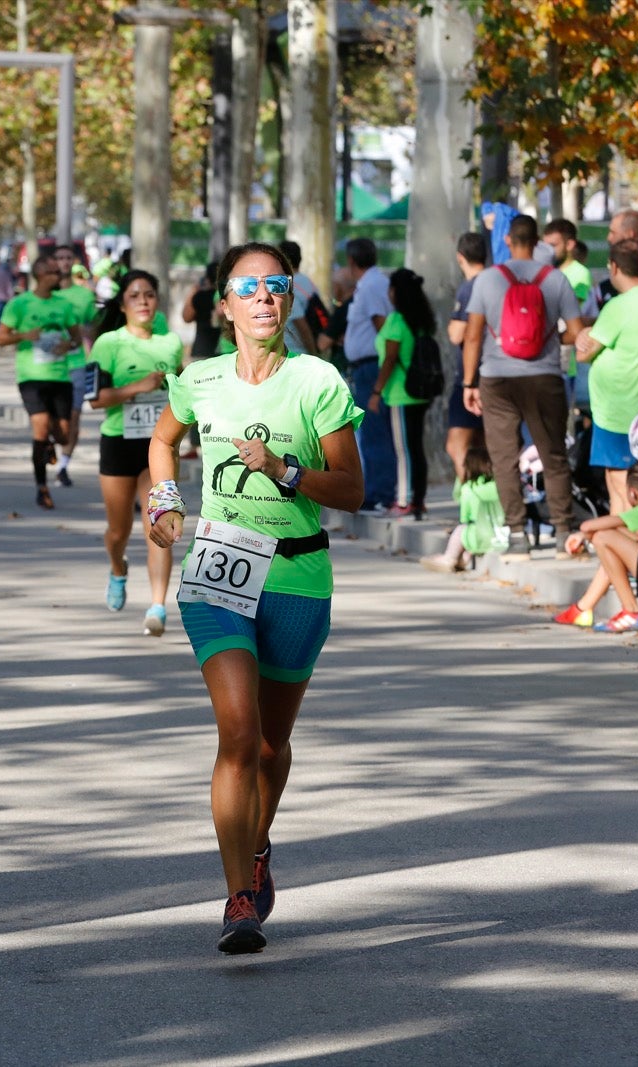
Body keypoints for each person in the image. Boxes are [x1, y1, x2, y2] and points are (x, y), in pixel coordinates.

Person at [147, 241, 363, 954]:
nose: (264, 297)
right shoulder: (200, 378)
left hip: (299, 577)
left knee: (271, 743)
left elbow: (353, 489)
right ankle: (239, 893)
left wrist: (285, 469)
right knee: (238, 732)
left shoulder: (318, 382)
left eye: (277, 285)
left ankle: (259, 841)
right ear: (226, 303)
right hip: (218, 572)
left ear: (290, 298)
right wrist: (166, 499)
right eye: (249, 286)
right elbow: (163, 438)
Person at [462, 213, 581, 559]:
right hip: (545, 377)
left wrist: (470, 382)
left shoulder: (487, 280)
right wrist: (551, 340)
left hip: (496, 379)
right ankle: (563, 533)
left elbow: (472, 335)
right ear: (537, 243)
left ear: (508, 241)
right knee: (553, 454)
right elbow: (574, 331)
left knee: (504, 458)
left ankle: (516, 536)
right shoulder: (555, 279)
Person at [87, 269, 183, 634]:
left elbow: (179, 395)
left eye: (149, 294)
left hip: (158, 446)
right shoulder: (107, 343)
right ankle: (117, 567)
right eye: (134, 295)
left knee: (158, 522)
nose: (143, 301)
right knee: (118, 531)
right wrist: (139, 387)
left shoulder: (170, 343)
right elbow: (95, 399)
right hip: (118, 442)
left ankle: (158, 606)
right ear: (123, 304)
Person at [576, 239, 638, 517]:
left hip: (615, 412)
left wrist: (582, 334)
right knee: (628, 487)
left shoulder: (618, 306)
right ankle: (614, 556)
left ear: (613, 268)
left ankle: (624, 552)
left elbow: (584, 352)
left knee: (621, 488)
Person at [0, 255, 83, 509]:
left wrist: (70, 344)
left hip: (60, 376)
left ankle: (49, 446)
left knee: (64, 435)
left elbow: (77, 338)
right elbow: (1, 339)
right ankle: (41, 488)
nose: (60, 276)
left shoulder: (64, 305)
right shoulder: (19, 304)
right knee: (41, 428)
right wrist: (24, 335)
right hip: (31, 377)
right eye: (55, 272)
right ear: (42, 275)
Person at [551, 467, 638, 633]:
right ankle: (583, 608)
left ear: (632, 494)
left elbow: (588, 525)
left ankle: (631, 610)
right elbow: (634, 537)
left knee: (602, 538)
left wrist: (582, 535)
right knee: (608, 541)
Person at [372, 267, 437, 519]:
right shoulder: (421, 320)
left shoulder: (397, 321)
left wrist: (376, 391)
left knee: (404, 450)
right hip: (419, 393)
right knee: (416, 448)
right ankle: (418, 499)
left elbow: (390, 358)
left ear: (396, 292)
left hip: (400, 393)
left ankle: (404, 500)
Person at [342, 237, 395, 513]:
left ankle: (380, 492)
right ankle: (377, 490)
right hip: (366, 365)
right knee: (371, 432)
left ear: (352, 262)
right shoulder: (371, 284)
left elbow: (382, 326)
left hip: (373, 365)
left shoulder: (372, 285)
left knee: (375, 432)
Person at [444, 233, 488, 486]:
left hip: (470, 378)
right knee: (484, 444)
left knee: (456, 445)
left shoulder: (470, 286)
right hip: (494, 375)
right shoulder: (496, 280)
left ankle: (472, 503)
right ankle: (491, 505)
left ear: (461, 257)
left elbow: (457, 334)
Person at [53, 244, 97, 488]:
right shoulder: (44, 294)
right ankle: (53, 446)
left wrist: (83, 332)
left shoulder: (84, 295)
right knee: (52, 419)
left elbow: (93, 327)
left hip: (78, 361)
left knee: (74, 416)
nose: (63, 262)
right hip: (48, 366)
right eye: (59, 258)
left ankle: (63, 465)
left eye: (68, 257)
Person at [421, 446, 504, 572]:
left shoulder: (468, 489)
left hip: (478, 537)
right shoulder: (499, 486)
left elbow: (465, 517)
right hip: (501, 534)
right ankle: (464, 559)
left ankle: (450, 557)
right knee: (477, 531)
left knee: (462, 529)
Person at [276, 240, 323, 355]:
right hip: (306, 349)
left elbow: (301, 325)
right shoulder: (307, 282)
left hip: (295, 352)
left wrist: (313, 354)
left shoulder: (288, 285)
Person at [182, 261, 223, 361]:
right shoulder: (228, 296)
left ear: (207, 278)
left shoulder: (199, 296)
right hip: (223, 352)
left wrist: (193, 292)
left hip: (201, 350)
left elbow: (186, 318)